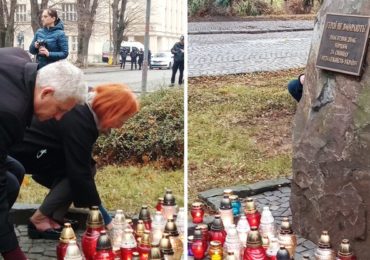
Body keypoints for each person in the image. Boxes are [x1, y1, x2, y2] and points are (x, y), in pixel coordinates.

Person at [10, 83, 139, 240]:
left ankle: (53, 217)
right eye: (122, 119)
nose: (120, 126)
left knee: (83, 169)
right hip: (27, 151)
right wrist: (108, 222)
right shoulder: (81, 120)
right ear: (111, 110)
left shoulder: (87, 111)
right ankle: (39, 219)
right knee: (81, 173)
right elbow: (81, 173)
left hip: (43, 151)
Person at [0, 47, 86, 260]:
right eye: (59, 110)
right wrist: (14, 253)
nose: (58, 118)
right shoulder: (10, 113)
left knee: (15, 170)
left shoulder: (19, 58)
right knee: (7, 184)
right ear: (46, 92)